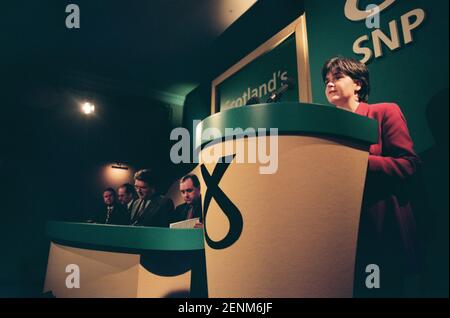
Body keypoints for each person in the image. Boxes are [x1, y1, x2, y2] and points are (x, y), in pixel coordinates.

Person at [322, 56, 421, 297]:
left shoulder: (384, 112)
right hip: (343, 235)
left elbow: (408, 165)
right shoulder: (325, 128)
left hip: (384, 228)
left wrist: (355, 161)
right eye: (326, 80)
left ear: (358, 84)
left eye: (337, 77)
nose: (329, 84)